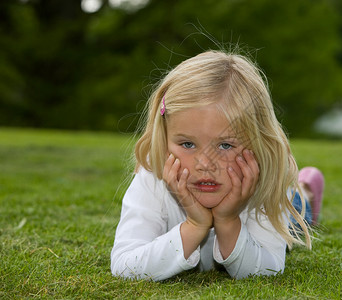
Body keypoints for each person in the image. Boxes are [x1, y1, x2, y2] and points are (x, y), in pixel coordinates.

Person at [110, 50, 325, 281]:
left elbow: (268, 270)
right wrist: (194, 225)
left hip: (280, 198)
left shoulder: (264, 179)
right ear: (164, 140)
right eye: (188, 144)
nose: (204, 164)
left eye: (225, 146)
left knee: (294, 215)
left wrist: (228, 221)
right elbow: (125, 265)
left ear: (258, 144)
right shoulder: (154, 175)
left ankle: (305, 192)